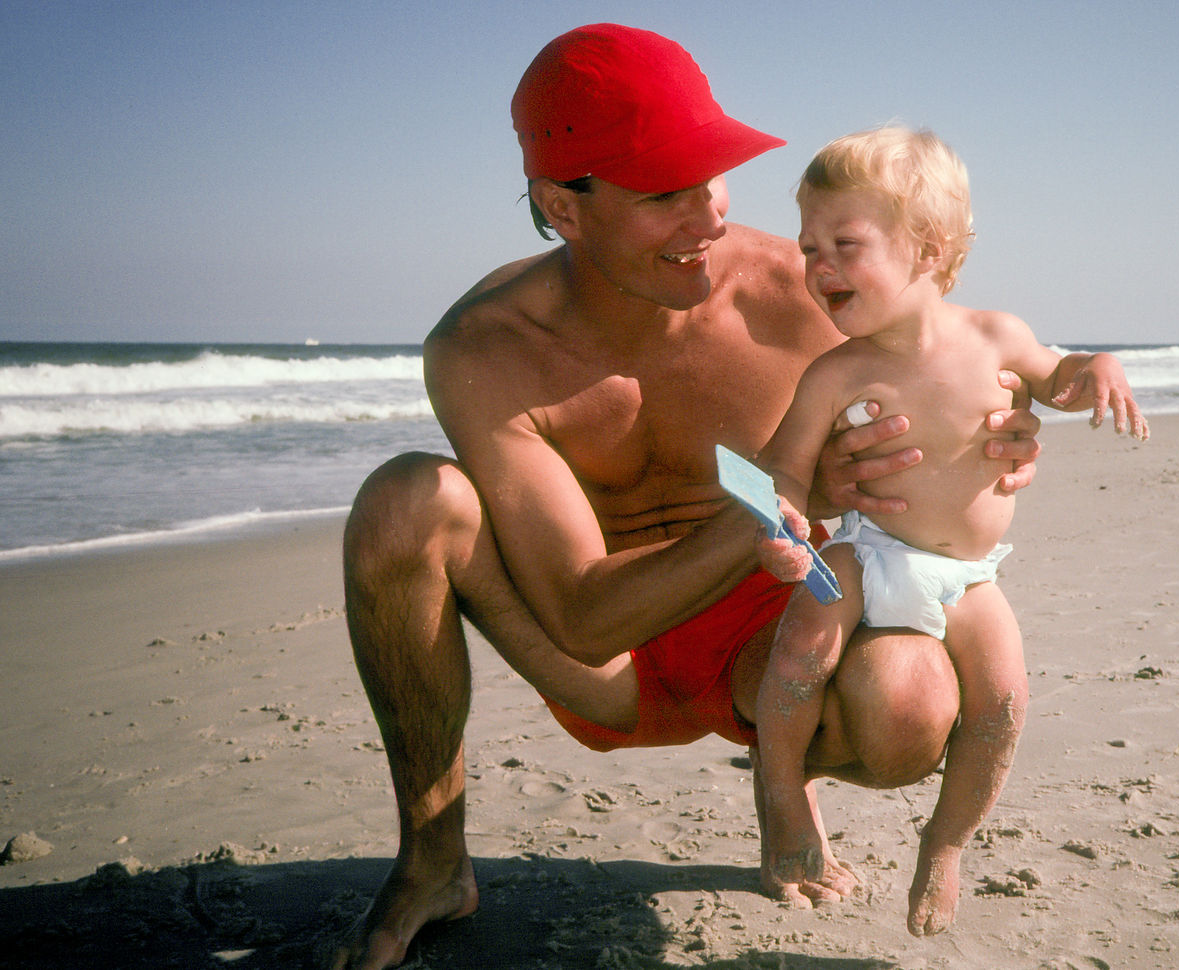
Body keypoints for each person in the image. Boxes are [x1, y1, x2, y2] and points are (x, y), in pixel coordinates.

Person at [329, 25, 1043, 969]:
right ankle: (432, 860)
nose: (707, 219)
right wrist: (781, 502)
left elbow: (952, 363)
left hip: (771, 639)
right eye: (665, 193)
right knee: (403, 501)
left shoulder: (801, 288)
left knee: (906, 712)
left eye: (711, 179)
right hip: (605, 659)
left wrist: (1000, 437)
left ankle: (787, 782)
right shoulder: (485, 346)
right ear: (563, 206)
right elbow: (582, 618)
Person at [748, 126, 1149, 937]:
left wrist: (1095, 365)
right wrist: (785, 521)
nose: (818, 266)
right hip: (866, 553)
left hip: (967, 576)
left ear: (927, 247)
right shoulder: (836, 372)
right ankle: (784, 801)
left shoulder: (995, 337)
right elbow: (781, 468)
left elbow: (1060, 380)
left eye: (844, 243)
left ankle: (946, 843)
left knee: (1004, 700)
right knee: (798, 653)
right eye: (808, 247)